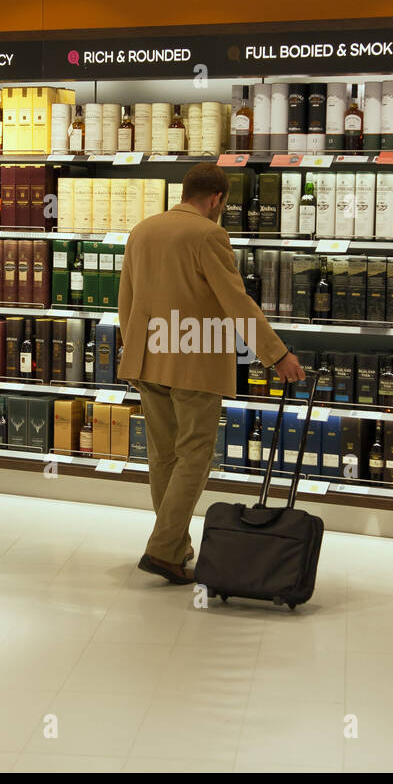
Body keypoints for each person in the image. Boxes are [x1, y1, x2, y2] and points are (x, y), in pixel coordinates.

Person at [118, 163, 305, 585]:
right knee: (195, 455)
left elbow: (126, 297)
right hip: (194, 359)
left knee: (163, 456)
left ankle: (174, 549)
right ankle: (164, 549)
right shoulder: (209, 235)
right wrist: (277, 356)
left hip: (148, 357)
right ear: (218, 199)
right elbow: (237, 303)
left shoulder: (143, 229)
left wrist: (132, 357)